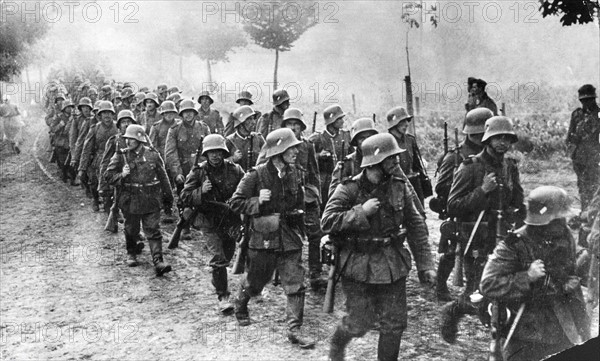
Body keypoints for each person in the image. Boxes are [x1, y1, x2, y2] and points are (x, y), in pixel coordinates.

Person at [321, 133, 436, 361]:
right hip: (357, 265)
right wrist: (360, 213)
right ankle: (338, 343)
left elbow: (416, 226)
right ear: (375, 162)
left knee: (394, 324)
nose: (396, 162)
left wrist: (425, 265)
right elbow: (326, 222)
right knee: (360, 322)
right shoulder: (349, 189)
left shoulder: (400, 186)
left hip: (392, 262)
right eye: (391, 158)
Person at [480, 186, 591, 361]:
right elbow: (488, 284)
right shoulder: (514, 244)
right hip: (525, 334)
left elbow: (572, 284)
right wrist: (527, 277)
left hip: (562, 328)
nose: (563, 223)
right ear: (547, 218)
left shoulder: (565, 237)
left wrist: (583, 328)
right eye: (559, 218)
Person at [441, 116, 525, 343]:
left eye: (507, 139)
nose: (502, 143)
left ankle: (500, 342)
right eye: (498, 138)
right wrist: (482, 191)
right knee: (478, 294)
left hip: (504, 238)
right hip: (477, 239)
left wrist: (522, 225)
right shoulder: (470, 167)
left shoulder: (510, 167)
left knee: (504, 290)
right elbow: (453, 205)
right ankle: (453, 310)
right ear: (488, 139)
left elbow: (518, 201)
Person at [230, 128, 315, 349]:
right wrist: (257, 200)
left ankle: (294, 329)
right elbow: (235, 203)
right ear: (279, 150)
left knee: (295, 282)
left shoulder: (295, 173)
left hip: (288, 235)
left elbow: (299, 203)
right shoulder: (255, 175)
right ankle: (240, 305)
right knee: (256, 281)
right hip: (263, 237)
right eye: (291, 148)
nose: (296, 151)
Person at [180, 134, 245, 313]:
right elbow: (184, 196)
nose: (215, 156)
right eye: (211, 152)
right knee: (219, 258)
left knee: (228, 253)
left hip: (229, 219)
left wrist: (238, 200)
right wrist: (201, 190)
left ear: (223, 153)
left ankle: (218, 280)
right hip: (208, 220)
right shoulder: (198, 172)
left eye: (218, 152)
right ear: (206, 154)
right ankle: (223, 296)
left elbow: (247, 187)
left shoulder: (235, 170)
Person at [433, 108, 492, 302]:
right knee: (452, 252)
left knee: (477, 254)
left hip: (481, 211)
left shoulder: (489, 155)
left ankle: (472, 291)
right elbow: (441, 188)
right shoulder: (455, 157)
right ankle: (441, 287)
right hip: (460, 212)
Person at [104, 124, 173, 275]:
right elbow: (108, 176)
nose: (128, 142)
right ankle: (131, 253)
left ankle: (158, 260)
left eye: (132, 139)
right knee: (131, 228)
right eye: (127, 139)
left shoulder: (153, 155)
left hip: (150, 198)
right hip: (130, 198)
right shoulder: (121, 156)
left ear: (140, 139)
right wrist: (121, 175)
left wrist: (169, 198)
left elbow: (163, 177)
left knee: (153, 230)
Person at [279, 108, 323, 291]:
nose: (294, 128)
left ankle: (315, 272)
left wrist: (317, 194)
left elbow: (314, 173)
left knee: (315, 234)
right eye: (290, 124)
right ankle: (291, 274)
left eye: (297, 125)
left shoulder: (307, 146)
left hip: (306, 196)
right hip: (287, 198)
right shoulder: (278, 145)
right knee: (289, 237)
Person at [165, 99, 211, 240]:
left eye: (191, 112)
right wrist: (177, 172)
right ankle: (184, 226)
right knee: (184, 199)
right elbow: (170, 153)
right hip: (183, 169)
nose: (188, 115)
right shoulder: (174, 130)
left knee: (203, 197)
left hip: (200, 168)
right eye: (185, 112)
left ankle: (204, 227)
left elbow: (209, 148)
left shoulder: (203, 128)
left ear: (195, 113)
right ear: (181, 114)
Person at [308, 104, 353, 212]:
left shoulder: (346, 135)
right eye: (339, 119)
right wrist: (319, 155)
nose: (342, 121)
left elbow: (352, 154)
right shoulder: (318, 138)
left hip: (343, 178)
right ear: (332, 121)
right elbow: (307, 156)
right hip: (325, 182)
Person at [78, 101, 118, 212]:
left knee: (114, 184)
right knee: (94, 182)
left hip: (115, 158)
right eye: (104, 113)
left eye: (109, 113)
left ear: (113, 114)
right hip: (98, 159)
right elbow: (86, 149)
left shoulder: (118, 127)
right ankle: (95, 200)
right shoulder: (95, 128)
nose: (107, 116)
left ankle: (110, 207)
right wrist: (82, 167)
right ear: (99, 115)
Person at [566, 84, 600, 211]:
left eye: (589, 100)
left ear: (594, 99)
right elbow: (570, 136)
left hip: (596, 159)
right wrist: (573, 154)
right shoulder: (576, 115)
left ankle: (594, 216)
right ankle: (585, 213)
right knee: (583, 187)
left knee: (596, 187)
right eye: (583, 100)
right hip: (580, 159)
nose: (586, 103)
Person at [386, 106, 427, 206]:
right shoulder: (386, 142)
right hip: (394, 187)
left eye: (407, 121)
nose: (407, 124)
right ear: (394, 124)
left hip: (412, 184)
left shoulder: (410, 140)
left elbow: (417, 166)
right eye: (402, 121)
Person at [225, 105, 264, 171]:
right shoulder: (229, 141)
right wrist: (233, 159)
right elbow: (219, 164)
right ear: (240, 124)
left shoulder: (259, 138)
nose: (253, 122)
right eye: (249, 119)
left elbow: (268, 158)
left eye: (253, 118)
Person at [50, 99, 75, 183]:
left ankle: (72, 178)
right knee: (62, 161)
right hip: (61, 141)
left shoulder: (74, 117)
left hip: (71, 141)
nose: (70, 109)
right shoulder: (58, 117)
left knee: (72, 161)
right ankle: (64, 175)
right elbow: (52, 129)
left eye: (71, 107)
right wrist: (60, 125)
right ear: (64, 108)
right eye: (68, 107)